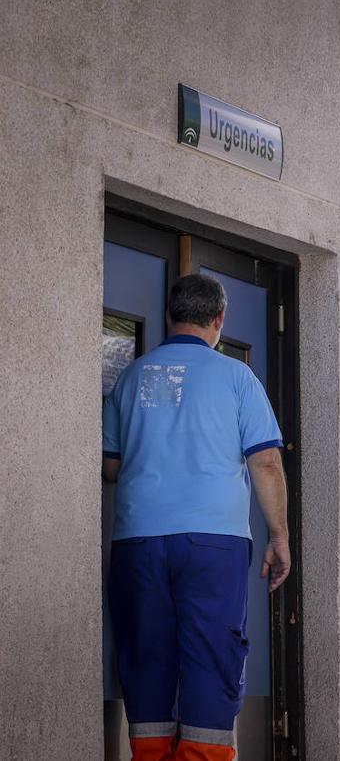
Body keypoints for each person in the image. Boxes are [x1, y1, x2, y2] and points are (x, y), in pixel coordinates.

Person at [102, 274, 291, 761]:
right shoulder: (236, 377)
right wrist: (279, 537)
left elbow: (110, 465)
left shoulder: (133, 376)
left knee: (146, 659)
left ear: (170, 316)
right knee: (212, 658)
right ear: (219, 321)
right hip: (214, 544)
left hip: (138, 542)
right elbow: (266, 462)